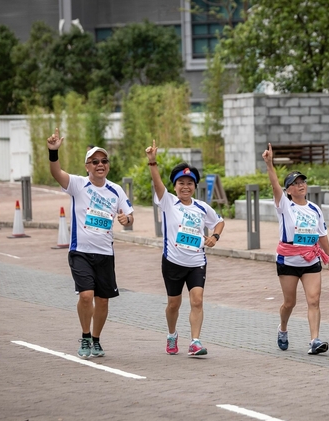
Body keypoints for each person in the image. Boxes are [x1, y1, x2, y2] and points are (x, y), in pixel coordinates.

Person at [46, 128, 134, 358]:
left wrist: (126, 219)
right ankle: (85, 336)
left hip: (105, 254)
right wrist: (53, 152)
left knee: (102, 301)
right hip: (81, 252)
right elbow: (56, 173)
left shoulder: (116, 190)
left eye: (104, 161)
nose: (100, 164)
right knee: (86, 296)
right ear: (87, 166)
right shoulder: (78, 184)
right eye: (95, 162)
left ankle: (96, 339)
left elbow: (129, 215)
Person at [146, 140, 224, 356]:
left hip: (197, 262)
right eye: (181, 183)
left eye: (190, 183)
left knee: (197, 300)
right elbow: (157, 183)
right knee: (174, 304)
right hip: (173, 262)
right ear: (174, 186)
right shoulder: (168, 202)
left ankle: (195, 342)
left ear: (195, 186)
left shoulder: (202, 207)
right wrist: (152, 162)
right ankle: (172, 334)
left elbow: (219, 221)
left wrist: (215, 236)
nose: (186, 187)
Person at [262, 143, 329, 355]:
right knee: (289, 303)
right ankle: (283, 328)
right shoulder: (285, 206)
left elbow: (322, 234)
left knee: (314, 300)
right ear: (288, 190)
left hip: (311, 260)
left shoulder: (315, 209)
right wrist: (269, 164)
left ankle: (314, 340)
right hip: (288, 260)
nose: (300, 185)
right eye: (295, 183)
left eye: (302, 181)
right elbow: (274, 185)